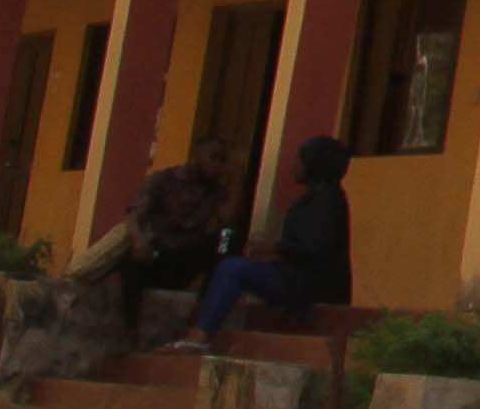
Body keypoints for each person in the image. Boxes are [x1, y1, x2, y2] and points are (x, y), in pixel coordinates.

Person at [188, 136, 351, 350]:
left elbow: (314, 248)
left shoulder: (327, 201)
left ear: (314, 164)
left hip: (313, 287)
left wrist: (272, 249)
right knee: (224, 258)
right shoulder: (316, 198)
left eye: (299, 160)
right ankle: (197, 324)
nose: (293, 165)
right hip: (299, 278)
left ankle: (199, 337)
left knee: (233, 269)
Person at [73, 140, 229, 294]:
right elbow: (135, 214)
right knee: (127, 248)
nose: (217, 164)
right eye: (213, 158)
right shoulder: (165, 179)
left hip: (183, 256)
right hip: (155, 251)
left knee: (226, 238)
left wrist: (237, 184)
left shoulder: (216, 192)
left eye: (222, 160)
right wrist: (139, 241)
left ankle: (208, 297)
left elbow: (227, 224)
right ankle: (79, 273)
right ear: (196, 156)